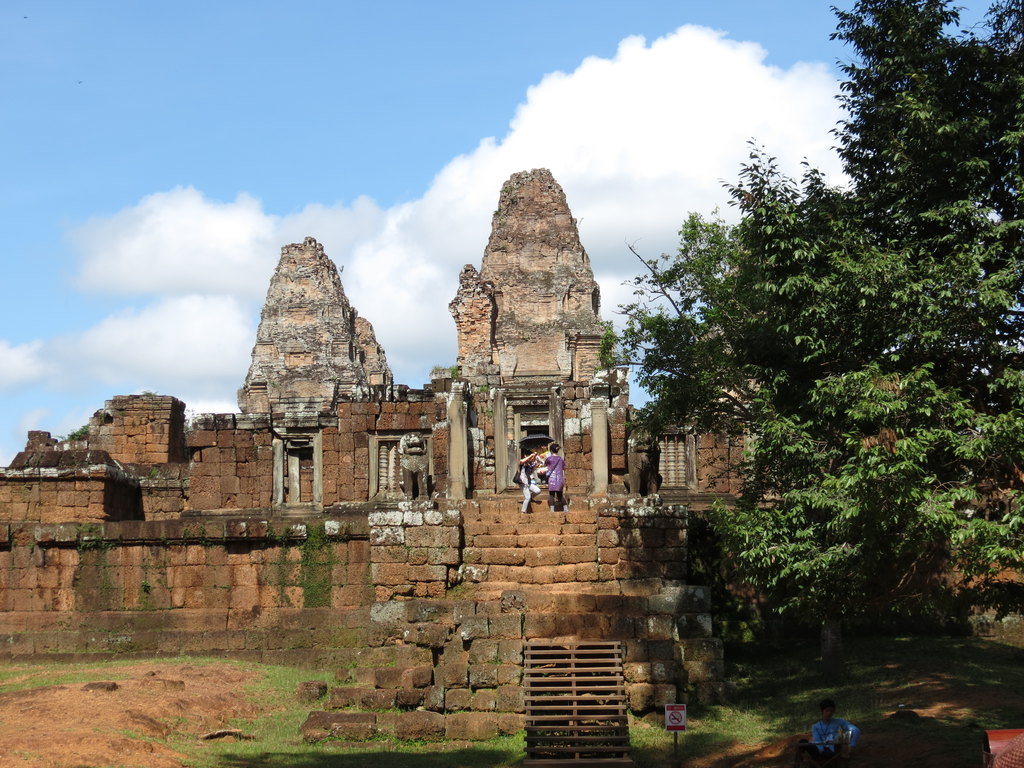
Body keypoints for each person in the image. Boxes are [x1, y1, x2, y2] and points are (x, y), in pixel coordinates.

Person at [796, 698, 860, 763]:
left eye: (831, 711)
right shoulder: (815, 726)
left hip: (832, 751)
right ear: (822, 711)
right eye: (827, 711)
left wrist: (851, 746)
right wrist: (820, 750)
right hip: (819, 751)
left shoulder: (839, 722)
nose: (829, 713)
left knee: (837, 741)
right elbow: (817, 740)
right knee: (802, 742)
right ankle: (799, 763)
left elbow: (855, 730)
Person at [544, 443, 567, 512]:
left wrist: (546, 457)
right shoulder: (561, 459)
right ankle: (566, 509)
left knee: (551, 495)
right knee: (560, 495)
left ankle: (552, 510)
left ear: (551, 450)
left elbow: (545, 464)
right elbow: (563, 468)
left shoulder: (549, 459)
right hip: (559, 478)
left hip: (552, 478)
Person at [518, 449, 541, 513]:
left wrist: (536, 456)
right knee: (527, 497)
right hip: (523, 483)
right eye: (529, 456)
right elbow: (521, 461)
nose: (530, 458)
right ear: (525, 455)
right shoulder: (523, 463)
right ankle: (523, 511)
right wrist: (530, 455)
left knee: (538, 491)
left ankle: (531, 498)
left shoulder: (530, 464)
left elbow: (539, 462)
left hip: (528, 483)